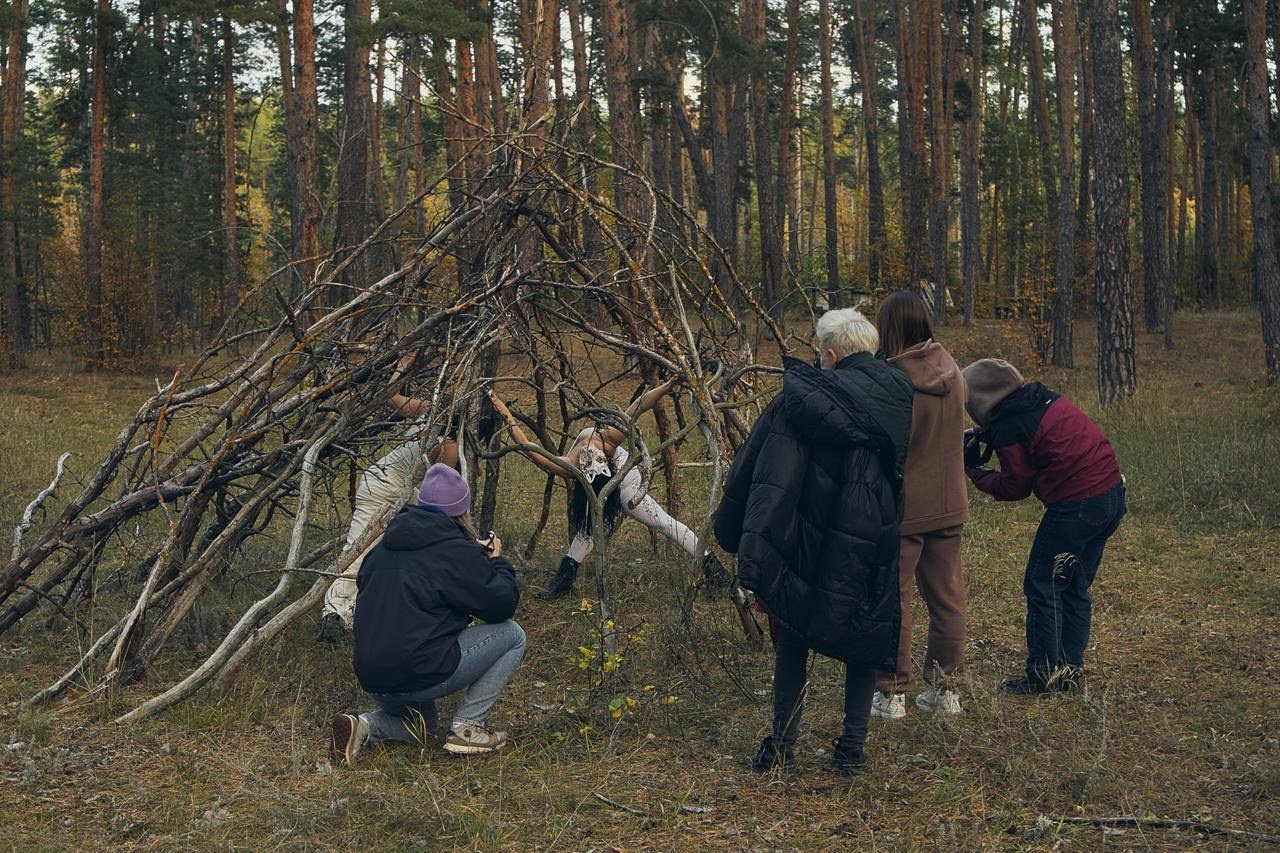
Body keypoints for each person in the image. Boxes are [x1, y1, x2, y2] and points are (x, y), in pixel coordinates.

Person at [715, 307, 913, 776]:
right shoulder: (901, 396)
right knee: (865, 633)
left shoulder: (798, 400)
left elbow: (757, 467)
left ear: (829, 354)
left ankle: (782, 746)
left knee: (794, 638)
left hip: (807, 533)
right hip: (873, 535)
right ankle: (851, 751)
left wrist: (733, 527)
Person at [329, 463, 524, 765]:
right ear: (462, 511)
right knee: (512, 635)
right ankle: (468, 728)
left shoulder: (380, 551)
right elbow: (500, 606)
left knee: (421, 726)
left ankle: (363, 724)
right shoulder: (454, 552)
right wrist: (497, 563)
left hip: (372, 674)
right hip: (421, 669)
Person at [962, 358, 1125, 695]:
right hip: (1110, 496)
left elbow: (1014, 486)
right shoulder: (1040, 398)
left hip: (1076, 505)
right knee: (1074, 585)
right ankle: (1069, 671)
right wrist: (986, 435)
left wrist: (975, 470)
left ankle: (1043, 677)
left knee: (1043, 585)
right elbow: (1033, 437)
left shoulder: (1011, 426)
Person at [487, 378, 731, 598]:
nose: (590, 451)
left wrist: (669, 385)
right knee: (587, 531)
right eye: (591, 456)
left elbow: (639, 405)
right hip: (602, 489)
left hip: (627, 487)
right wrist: (503, 411)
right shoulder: (583, 457)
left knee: (664, 523)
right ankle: (563, 582)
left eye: (596, 456)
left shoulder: (602, 445)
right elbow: (527, 445)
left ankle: (714, 569)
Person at [870, 291, 969, 719]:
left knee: (896, 600)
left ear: (891, 328)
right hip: (949, 501)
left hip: (906, 506)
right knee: (947, 598)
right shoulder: (952, 368)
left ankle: (891, 694)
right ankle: (946, 692)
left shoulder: (893, 380)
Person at [318, 352, 459, 643]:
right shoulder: (435, 418)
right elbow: (391, 397)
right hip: (383, 486)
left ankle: (365, 611)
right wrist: (401, 369)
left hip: (401, 490)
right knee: (358, 549)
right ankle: (333, 614)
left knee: (383, 553)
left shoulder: (446, 435)